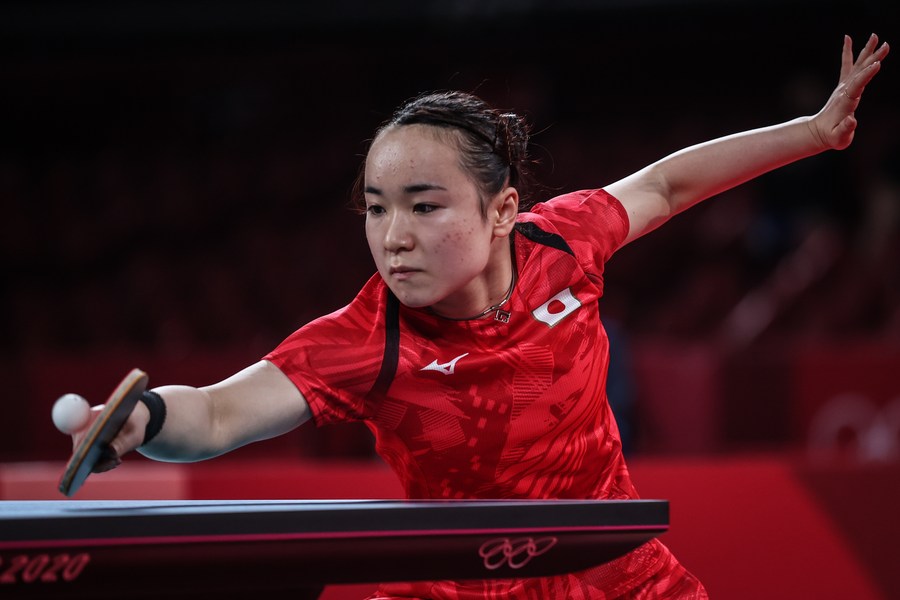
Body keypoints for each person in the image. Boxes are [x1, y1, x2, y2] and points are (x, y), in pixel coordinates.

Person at [67, 34, 888, 599]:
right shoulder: (366, 339)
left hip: (615, 572)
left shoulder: (564, 244)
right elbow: (216, 413)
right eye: (377, 208)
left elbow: (667, 186)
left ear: (502, 210)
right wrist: (143, 418)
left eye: (424, 207)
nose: (394, 238)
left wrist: (813, 134)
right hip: (456, 583)